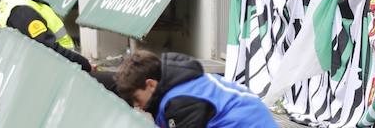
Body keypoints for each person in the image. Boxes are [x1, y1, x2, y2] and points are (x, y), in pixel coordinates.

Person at [114, 49, 277, 127]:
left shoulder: (181, 100)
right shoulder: (177, 85)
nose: (136, 105)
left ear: (150, 84)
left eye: (136, 98)